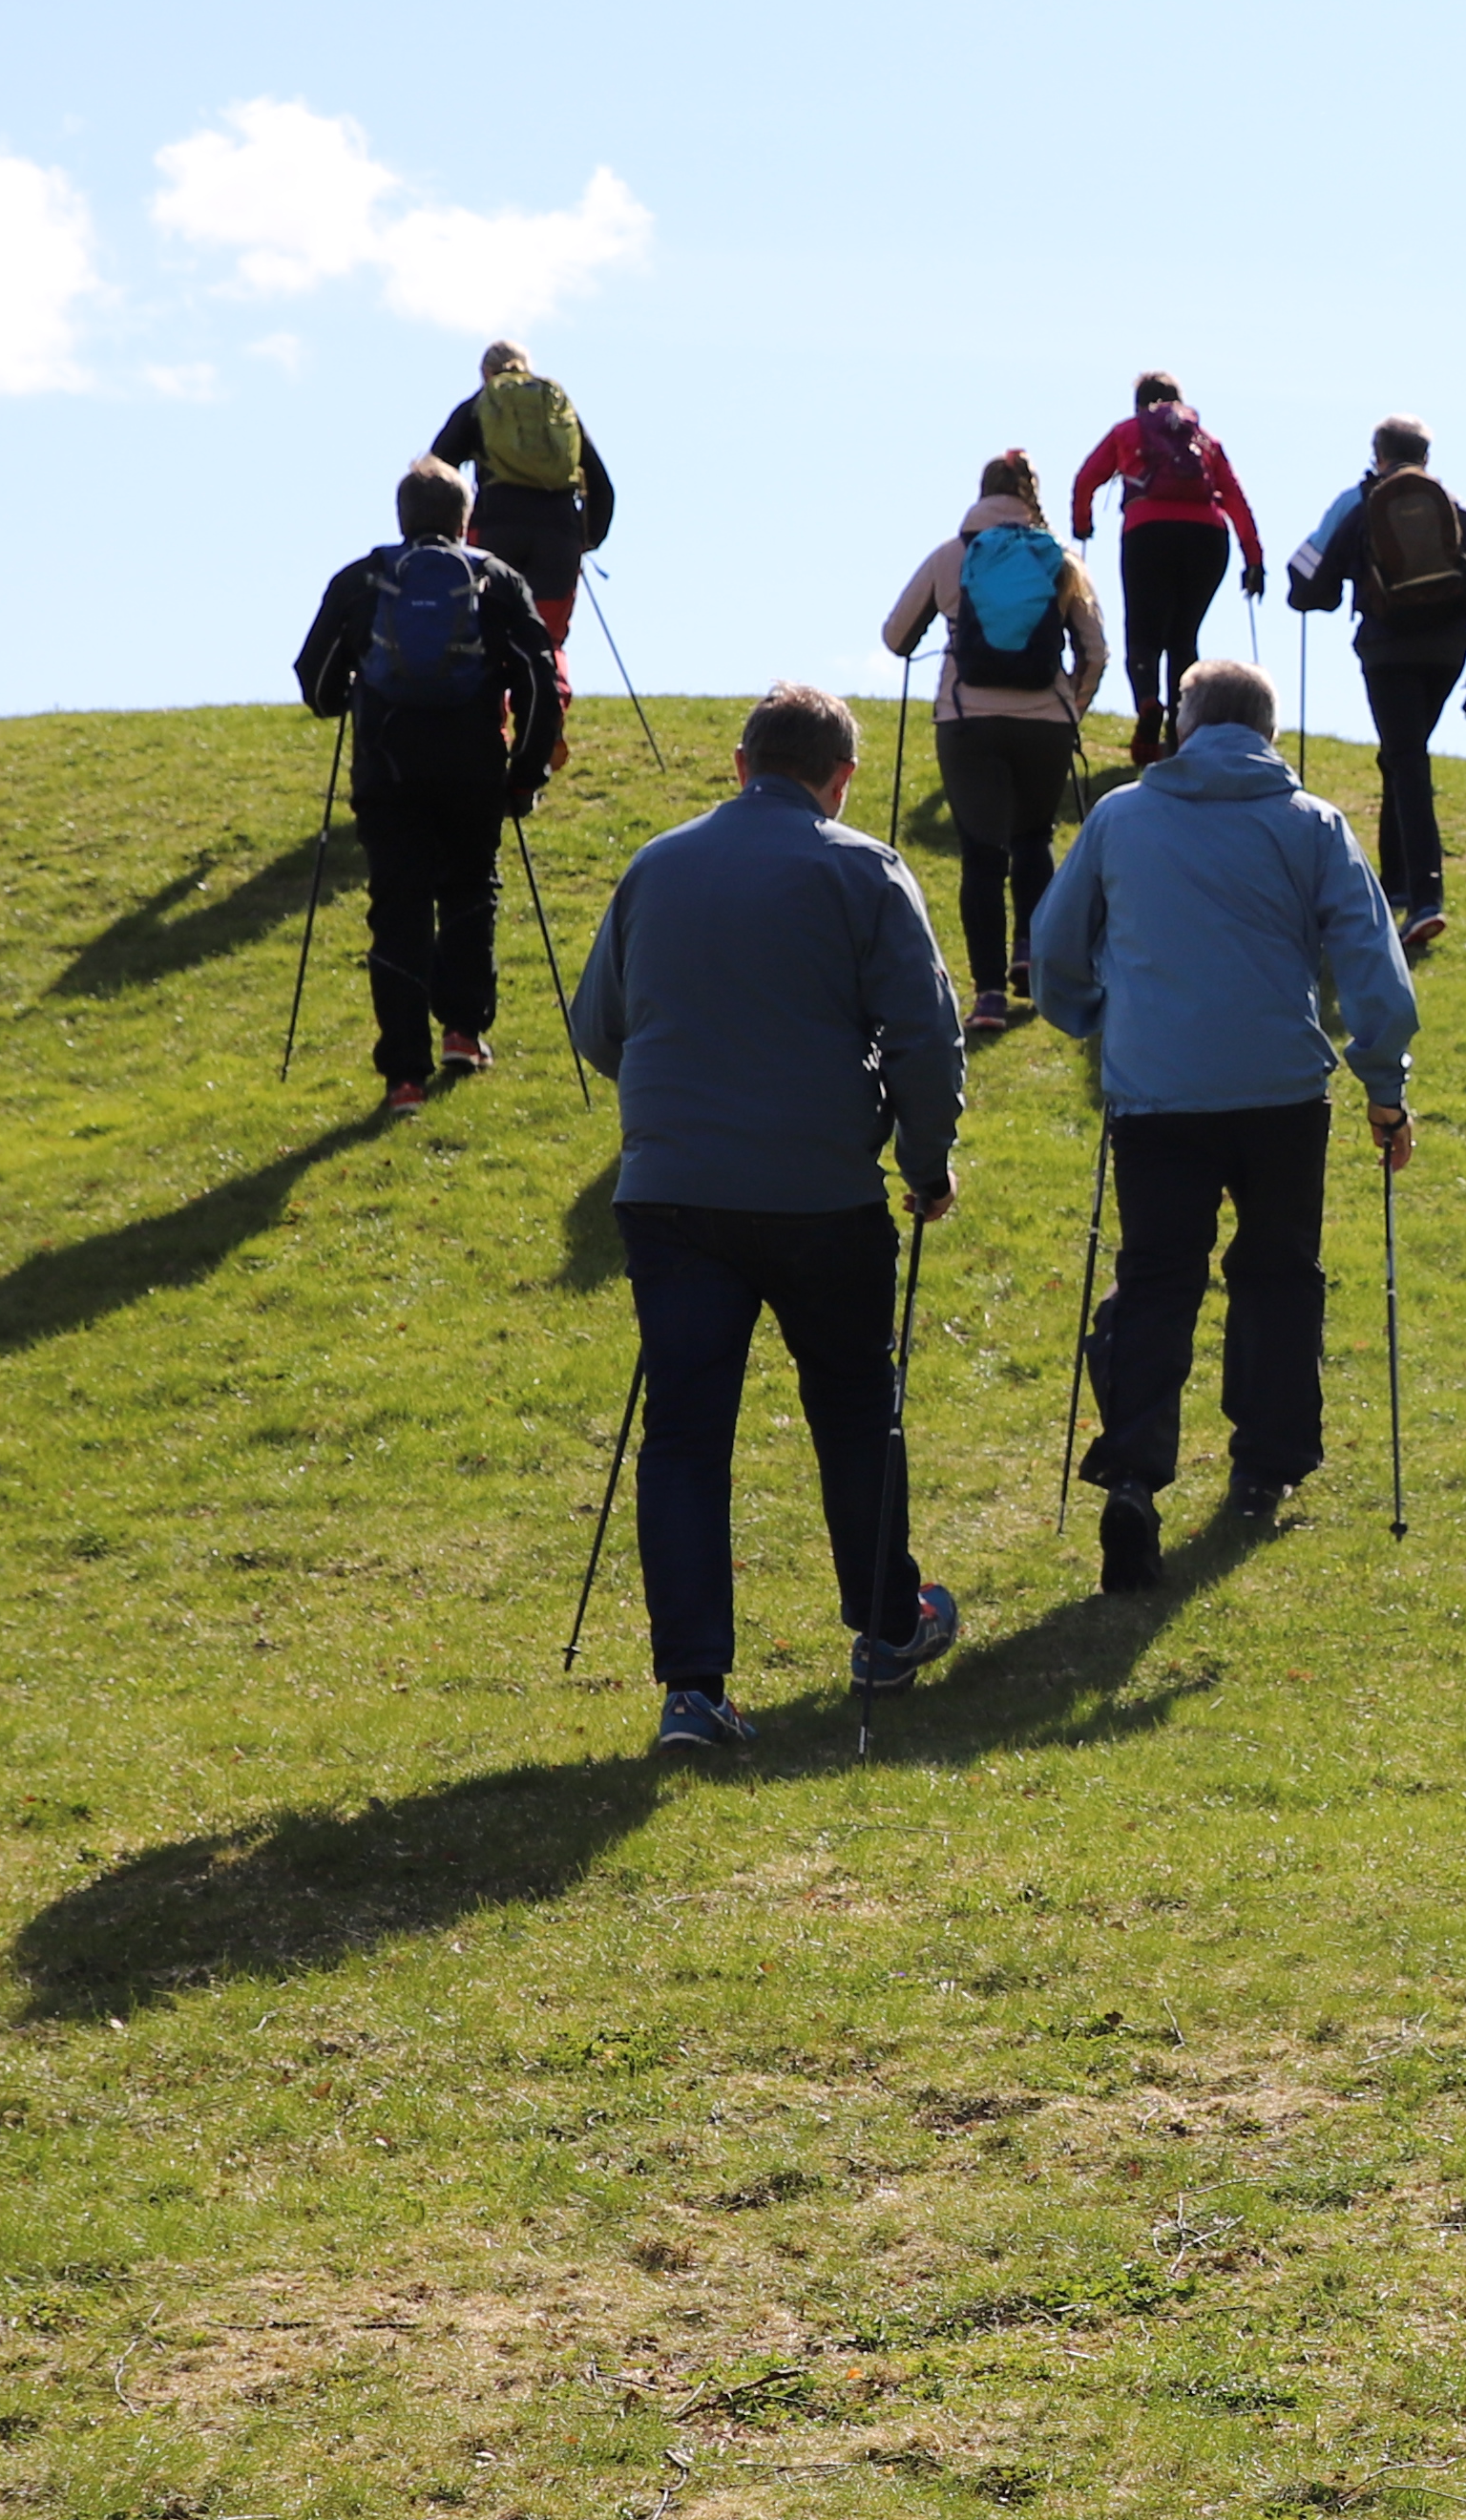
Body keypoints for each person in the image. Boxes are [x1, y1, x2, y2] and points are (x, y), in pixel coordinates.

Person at [563, 686, 970, 1755]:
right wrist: (925, 1158)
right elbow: (925, 1035)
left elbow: (595, 1027)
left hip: (673, 1192)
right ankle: (886, 1625)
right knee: (850, 1404)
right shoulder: (863, 867)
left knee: (686, 1432)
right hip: (823, 1189)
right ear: (838, 777)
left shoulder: (657, 863)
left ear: (739, 762)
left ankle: (693, 1690)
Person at [1026, 658, 1419, 1596]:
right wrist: (1385, 1085)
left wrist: (1090, 1015)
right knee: (1279, 1269)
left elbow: (1052, 943)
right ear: (1269, 732)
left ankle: (1132, 1474)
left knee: (1157, 1279)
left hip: (1158, 1090)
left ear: (1186, 724)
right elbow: (1375, 968)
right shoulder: (1312, 823)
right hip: (1281, 1088)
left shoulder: (1121, 814)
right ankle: (1267, 1461)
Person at [290, 465, 566, 1110]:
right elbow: (539, 682)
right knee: (471, 891)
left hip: (387, 774)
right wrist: (524, 774)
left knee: (399, 910)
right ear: (465, 519)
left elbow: (317, 684)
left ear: (401, 516)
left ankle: (404, 1077)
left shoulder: (361, 580)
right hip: (473, 769)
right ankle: (464, 1034)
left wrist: (352, 693)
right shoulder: (496, 581)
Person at [880, 447, 1112, 1023]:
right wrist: (1070, 706)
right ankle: (1031, 956)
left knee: (983, 855)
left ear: (982, 494)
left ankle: (986, 996)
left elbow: (896, 637)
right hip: (1046, 724)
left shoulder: (951, 556)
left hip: (969, 719)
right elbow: (1097, 651)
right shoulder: (1060, 559)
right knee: (1034, 838)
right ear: (1034, 497)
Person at [1280, 415, 1466, 956]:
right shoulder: (1457, 509)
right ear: (1427, 455)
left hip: (1388, 652)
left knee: (1406, 759)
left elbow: (1312, 587)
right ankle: (1395, 889)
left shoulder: (1360, 502)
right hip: (1448, 653)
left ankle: (1425, 896)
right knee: (1401, 757)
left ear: (1377, 452)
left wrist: (1304, 593)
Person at [1072, 372, 1263, 773]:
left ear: (1139, 404)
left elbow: (1087, 478)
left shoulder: (1127, 432)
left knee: (1143, 633)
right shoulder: (1205, 440)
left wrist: (1083, 522)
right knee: (1183, 637)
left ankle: (1147, 703)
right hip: (1208, 537)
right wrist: (1254, 560)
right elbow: (1234, 497)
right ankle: (1180, 734)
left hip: (1148, 532)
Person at [426, 338, 618, 649]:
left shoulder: (478, 406)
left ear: (485, 373)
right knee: (544, 641)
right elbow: (602, 487)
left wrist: (438, 539)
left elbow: (432, 477)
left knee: (489, 638)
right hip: (559, 535)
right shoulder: (556, 410)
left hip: (495, 530)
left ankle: (495, 698)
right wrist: (586, 539)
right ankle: (546, 697)